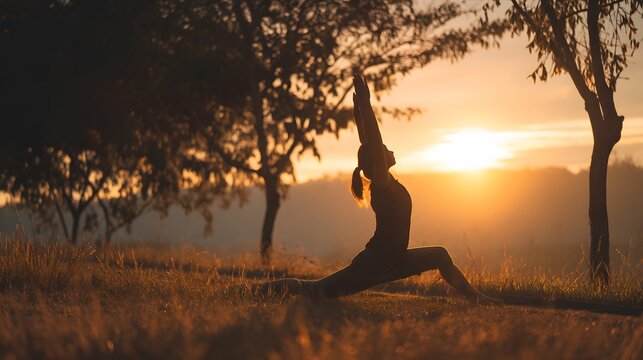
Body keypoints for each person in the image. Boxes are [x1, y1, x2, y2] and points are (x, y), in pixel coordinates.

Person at [258, 74, 499, 304]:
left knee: (440, 255)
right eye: (384, 151)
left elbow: (367, 141)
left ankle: (477, 298)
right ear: (377, 160)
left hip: (396, 259)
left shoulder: (385, 182)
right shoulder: (382, 186)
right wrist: (367, 105)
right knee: (315, 290)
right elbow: (373, 140)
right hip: (374, 263)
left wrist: (359, 111)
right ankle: (256, 290)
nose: (390, 151)